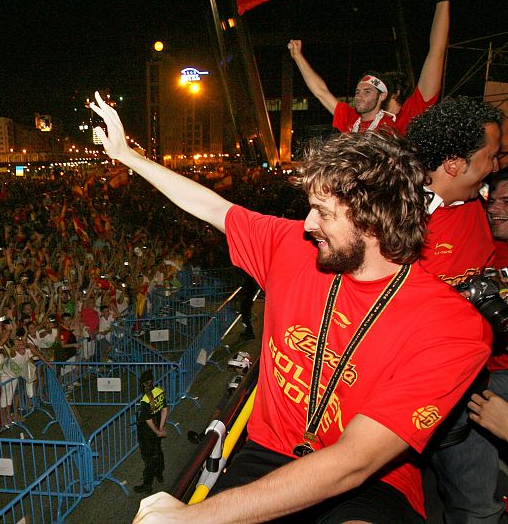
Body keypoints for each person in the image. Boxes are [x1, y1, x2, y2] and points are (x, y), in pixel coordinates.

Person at [90, 91, 491, 522]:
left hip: (372, 482)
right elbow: (214, 208)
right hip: (267, 455)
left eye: (322, 212)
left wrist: (193, 517)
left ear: (372, 219)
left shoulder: (453, 327)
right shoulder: (290, 248)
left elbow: (355, 462)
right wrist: (127, 155)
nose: (307, 224)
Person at [406, 98, 504, 524]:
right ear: (452, 164)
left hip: (473, 389)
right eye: (491, 156)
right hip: (408, 392)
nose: (497, 165)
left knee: (476, 508)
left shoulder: (479, 209)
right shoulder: (393, 217)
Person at [287, 0, 449, 134]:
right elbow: (321, 92)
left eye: (367, 91)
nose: (359, 96)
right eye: (358, 91)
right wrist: (298, 57)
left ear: (386, 95)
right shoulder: (352, 119)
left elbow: (437, 52)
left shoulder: (406, 118)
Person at [134, 370, 168, 494]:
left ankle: (147, 483)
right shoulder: (159, 391)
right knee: (158, 451)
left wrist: (156, 431)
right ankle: (159, 474)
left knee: (149, 458)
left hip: (147, 433)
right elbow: (164, 409)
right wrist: (161, 428)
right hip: (158, 425)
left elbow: (147, 419)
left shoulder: (145, 400)